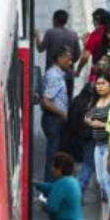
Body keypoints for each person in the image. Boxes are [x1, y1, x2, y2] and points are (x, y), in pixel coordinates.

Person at [41, 48, 73, 181]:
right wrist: (62, 114)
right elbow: (46, 101)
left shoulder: (59, 74)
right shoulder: (54, 76)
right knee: (53, 156)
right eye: (68, 59)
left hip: (56, 119)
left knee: (58, 154)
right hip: (54, 120)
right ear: (59, 58)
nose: (70, 63)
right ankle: (48, 187)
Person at [84, 74, 110, 204]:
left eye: (103, 83)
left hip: (109, 145)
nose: (100, 86)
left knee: (108, 179)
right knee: (100, 179)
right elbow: (87, 116)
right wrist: (90, 121)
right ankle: (107, 209)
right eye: (98, 84)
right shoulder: (96, 101)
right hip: (97, 145)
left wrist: (101, 124)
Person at [78, 8, 110, 77]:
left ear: (97, 21)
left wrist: (78, 70)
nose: (93, 23)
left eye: (93, 20)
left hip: (99, 72)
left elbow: (85, 57)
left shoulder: (95, 34)